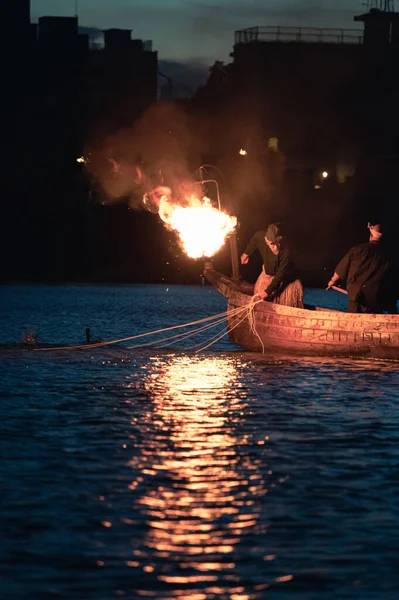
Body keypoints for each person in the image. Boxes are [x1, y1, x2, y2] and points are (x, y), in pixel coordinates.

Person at [326, 222, 398, 313]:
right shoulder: (389, 257)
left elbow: (341, 269)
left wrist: (332, 281)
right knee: (373, 323)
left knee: (352, 321)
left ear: (371, 235)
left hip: (356, 295)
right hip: (375, 298)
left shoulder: (357, 250)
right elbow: (392, 281)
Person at [241, 223, 303, 307]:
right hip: (267, 276)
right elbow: (254, 240)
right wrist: (246, 253)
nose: (273, 247)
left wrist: (266, 292)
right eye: (270, 243)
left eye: (275, 243)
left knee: (284, 304)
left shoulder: (286, 252)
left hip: (284, 280)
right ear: (265, 239)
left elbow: (280, 275)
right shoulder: (260, 236)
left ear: (280, 240)